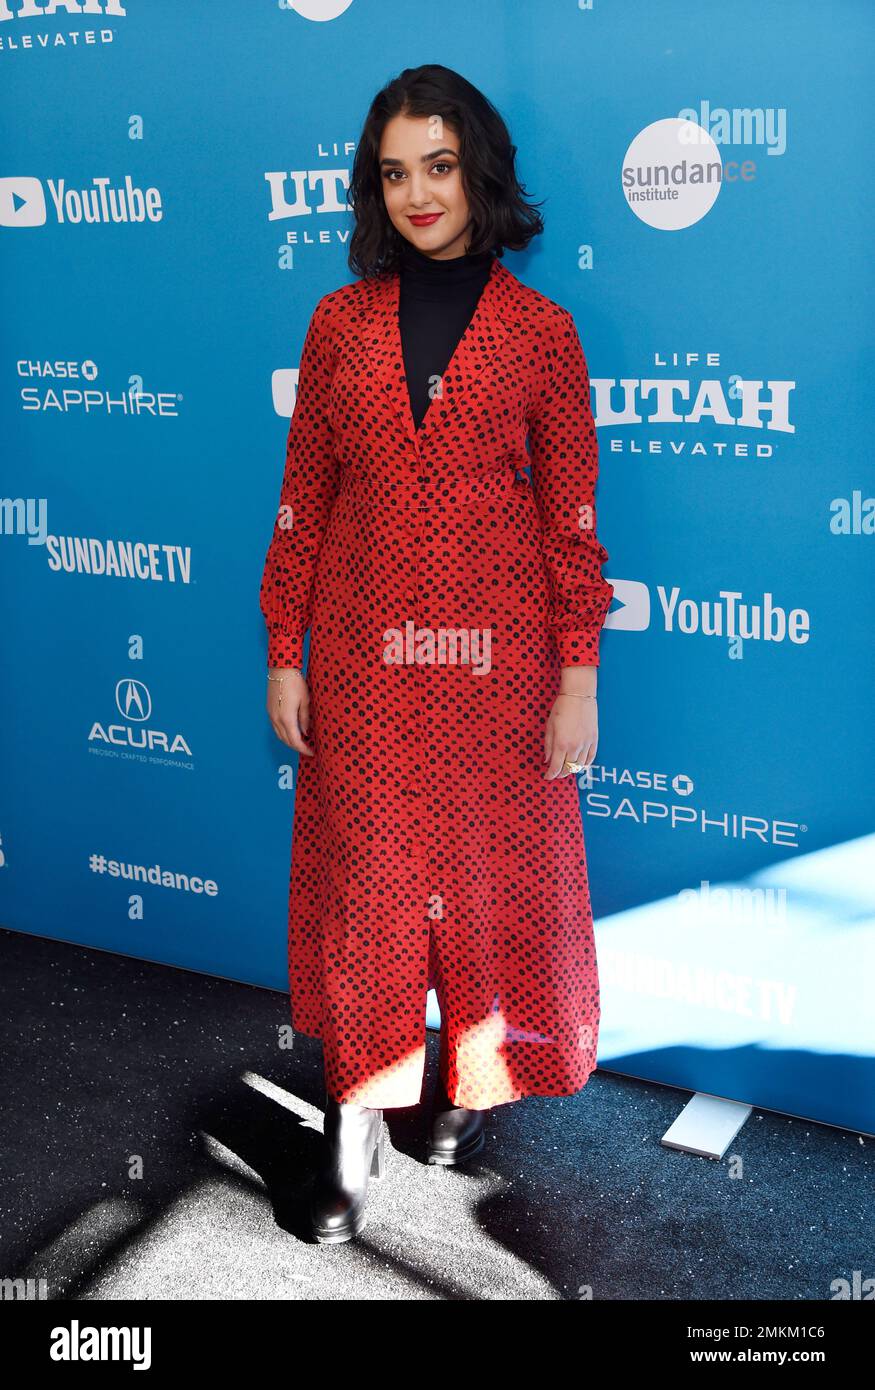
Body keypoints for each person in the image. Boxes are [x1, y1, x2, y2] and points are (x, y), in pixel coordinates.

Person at [260, 64, 614, 1245]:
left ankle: (465, 1088)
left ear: (480, 171)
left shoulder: (540, 333)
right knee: (363, 896)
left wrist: (576, 677)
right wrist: (284, 646)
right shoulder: (337, 324)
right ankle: (351, 1125)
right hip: (361, 662)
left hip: (496, 673)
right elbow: (303, 497)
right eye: (395, 171)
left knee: (486, 890)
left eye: (440, 165)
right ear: (375, 185)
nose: (418, 192)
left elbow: (571, 515)